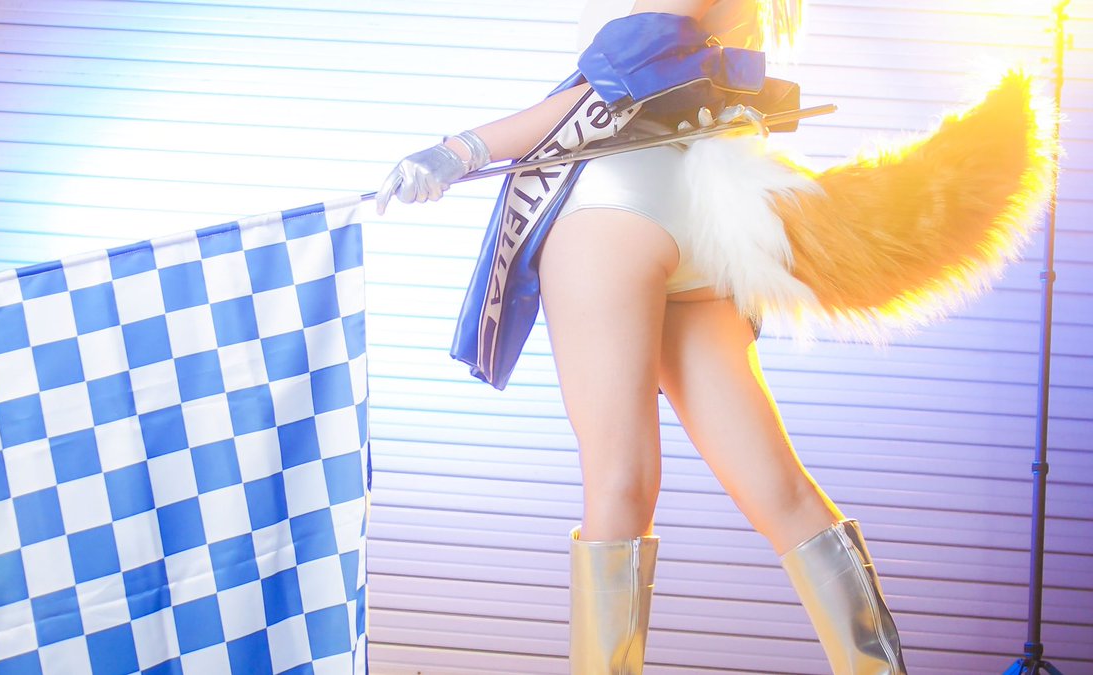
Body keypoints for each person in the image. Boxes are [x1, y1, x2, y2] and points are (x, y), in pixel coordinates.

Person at [375, 0, 1052, 673]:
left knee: (619, 484)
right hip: (709, 214)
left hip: (617, 200)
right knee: (782, 492)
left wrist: (462, 149)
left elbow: (621, 77)